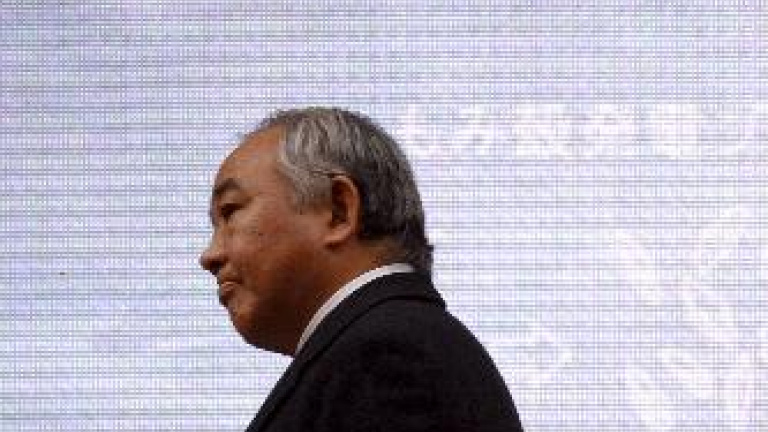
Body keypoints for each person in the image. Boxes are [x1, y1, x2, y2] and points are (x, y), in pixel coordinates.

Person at [199, 107, 525, 432]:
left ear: (339, 210)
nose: (209, 256)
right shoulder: (392, 346)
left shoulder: (385, 356)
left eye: (230, 211)